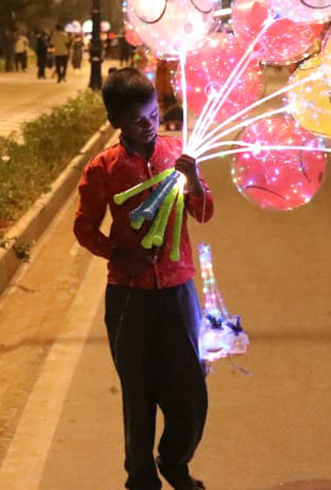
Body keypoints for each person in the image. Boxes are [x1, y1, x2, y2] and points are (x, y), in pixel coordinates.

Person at [74, 68, 213, 490]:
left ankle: (175, 461)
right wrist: (120, 254)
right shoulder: (104, 169)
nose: (149, 124)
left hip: (178, 290)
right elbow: (84, 227)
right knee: (138, 395)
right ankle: (141, 479)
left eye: (154, 114)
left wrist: (195, 183)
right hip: (128, 297)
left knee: (190, 390)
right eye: (138, 119)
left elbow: (203, 214)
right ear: (117, 121)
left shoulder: (178, 153)